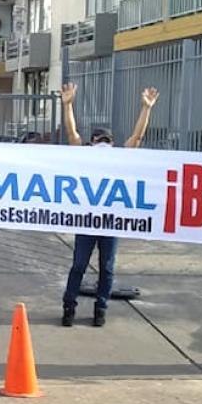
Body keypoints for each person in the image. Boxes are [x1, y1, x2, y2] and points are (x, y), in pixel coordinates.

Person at [59, 82, 159, 327]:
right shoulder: (85, 157)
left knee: (107, 268)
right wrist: (68, 105)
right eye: (98, 140)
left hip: (111, 222)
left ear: (112, 144)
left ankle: (100, 309)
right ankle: (69, 307)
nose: (102, 144)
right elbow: (72, 135)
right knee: (79, 265)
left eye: (106, 140)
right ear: (92, 144)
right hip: (86, 221)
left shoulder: (119, 159)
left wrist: (146, 109)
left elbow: (137, 138)